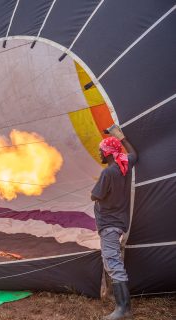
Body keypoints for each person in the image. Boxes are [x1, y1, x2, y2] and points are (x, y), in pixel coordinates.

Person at [90, 124, 137, 320]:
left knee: (113, 263)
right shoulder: (126, 164)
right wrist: (122, 137)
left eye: (101, 151)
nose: (99, 153)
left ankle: (123, 309)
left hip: (109, 224)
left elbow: (95, 196)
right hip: (121, 222)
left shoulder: (108, 173)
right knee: (112, 261)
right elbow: (134, 153)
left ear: (108, 153)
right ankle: (121, 305)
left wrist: (94, 193)